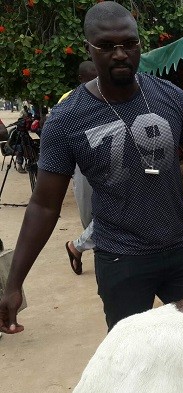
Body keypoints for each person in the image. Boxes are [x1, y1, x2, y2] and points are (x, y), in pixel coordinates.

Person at [0, 3, 183, 393]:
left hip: (182, 253)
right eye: (107, 45)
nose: (120, 53)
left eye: (129, 44)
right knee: (137, 362)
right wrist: (14, 281)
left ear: (140, 44)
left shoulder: (170, 98)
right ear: (90, 49)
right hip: (121, 259)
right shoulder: (67, 118)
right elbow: (43, 206)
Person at [61, 61, 99, 275]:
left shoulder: (107, 94)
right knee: (89, 213)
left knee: (108, 209)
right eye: (91, 77)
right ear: (81, 80)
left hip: (106, 163)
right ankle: (79, 245)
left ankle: (78, 245)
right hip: (81, 163)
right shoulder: (68, 100)